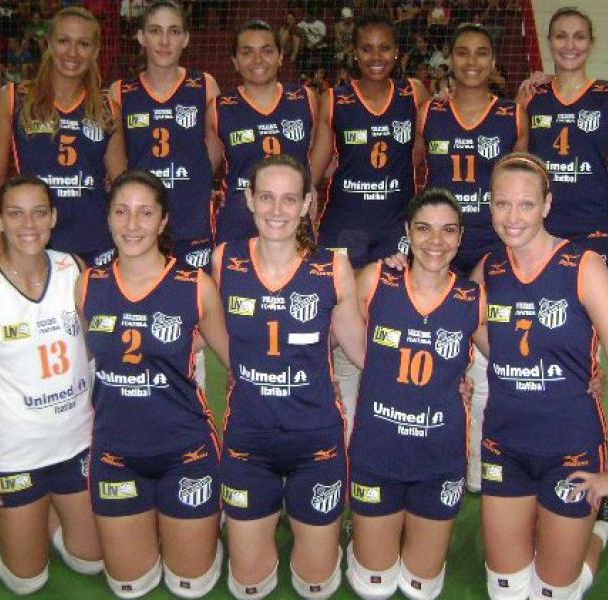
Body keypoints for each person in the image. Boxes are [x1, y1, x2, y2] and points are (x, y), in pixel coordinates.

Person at [478, 152, 608, 600]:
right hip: (504, 447)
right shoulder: (491, 269)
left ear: (547, 205)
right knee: (507, 593)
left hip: (571, 450)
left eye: (526, 204)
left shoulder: (584, 267)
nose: (513, 217)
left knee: (552, 593)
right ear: (490, 205)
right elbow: (453, 312)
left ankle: (601, 530)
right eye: (502, 204)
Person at [213, 154, 364, 600]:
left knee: (316, 585)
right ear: (249, 199)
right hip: (248, 437)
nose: (276, 210)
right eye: (266, 197)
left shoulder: (331, 268)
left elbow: (361, 351)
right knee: (249, 586)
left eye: (289, 199)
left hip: (314, 439)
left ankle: (316, 530)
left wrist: (433, 380)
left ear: (307, 204)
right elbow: (207, 331)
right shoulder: (225, 259)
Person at [0, 176, 102, 595]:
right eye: (15, 213)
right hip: (16, 456)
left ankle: (39, 514)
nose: (28, 224)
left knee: (90, 561)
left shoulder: (74, 269)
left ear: (53, 218)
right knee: (27, 580)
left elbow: (94, 349)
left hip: (76, 446)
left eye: (38, 212)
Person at [79, 169, 229, 599]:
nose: (132, 224)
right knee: (130, 587)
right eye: (121, 212)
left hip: (186, 452)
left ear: (163, 221)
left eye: (145, 213)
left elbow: (237, 361)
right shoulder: (88, 284)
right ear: (108, 217)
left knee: (190, 586)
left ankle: (204, 525)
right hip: (116, 454)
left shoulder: (195, 286)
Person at [348, 188, 482, 600]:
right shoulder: (376, 280)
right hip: (377, 456)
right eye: (424, 229)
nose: (435, 241)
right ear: (407, 232)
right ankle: (364, 535)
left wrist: (585, 375)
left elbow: (514, 358)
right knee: (374, 588)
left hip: (438, 460)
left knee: (421, 589)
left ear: (460, 237)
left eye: (448, 230)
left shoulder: (473, 298)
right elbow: (327, 331)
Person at [418, 22, 527, 493]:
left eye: (482, 53)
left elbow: (521, 184)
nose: (471, 62)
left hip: (490, 248)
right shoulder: (430, 112)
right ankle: (435, 452)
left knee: (485, 358)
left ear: (494, 61)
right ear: (450, 58)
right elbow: (416, 173)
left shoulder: (512, 115)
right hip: (438, 248)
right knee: (435, 352)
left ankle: (480, 462)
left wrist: (505, 249)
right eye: (462, 52)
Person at [310, 12, 429, 440]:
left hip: (394, 227)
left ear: (397, 53)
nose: (376, 56)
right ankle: (335, 432)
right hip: (344, 226)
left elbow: (420, 153)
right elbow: (319, 161)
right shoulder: (336, 99)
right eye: (367, 48)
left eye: (384, 48)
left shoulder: (414, 92)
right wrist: (299, 200)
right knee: (339, 327)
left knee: (390, 322)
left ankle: (388, 424)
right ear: (354, 53)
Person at [0, 6, 127, 266]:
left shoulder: (108, 110)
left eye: (83, 44)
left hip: (97, 245)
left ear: (95, 51)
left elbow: (121, 186)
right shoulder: (14, 100)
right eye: (63, 41)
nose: (72, 52)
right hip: (33, 242)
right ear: (48, 43)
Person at [111, 0, 220, 271]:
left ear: (186, 38)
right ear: (141, 36)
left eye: (174, 31)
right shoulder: (120, 92)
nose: (164, 41)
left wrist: (193, 178)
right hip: (142, 224)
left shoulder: (205, 85)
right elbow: (117, 167)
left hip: (192, 220)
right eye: (155, 30)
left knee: (195, 294)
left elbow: (214, 148)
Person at [518, 7, 608, 266]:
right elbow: (512, 161)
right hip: (541, 225)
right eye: (561, 36)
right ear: (549, 41)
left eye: (579, 37)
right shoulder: (530, 96)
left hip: (595, 225)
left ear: (591, 43)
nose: (570, 45)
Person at [207, 19, 317, 246]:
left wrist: (310, 186)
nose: (258, 60)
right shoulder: (220, 108)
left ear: (280, 56)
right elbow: (204, 169)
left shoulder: (305, 99)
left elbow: (315, 157)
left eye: (267, 51)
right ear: (235, 61)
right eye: (247, 52)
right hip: (238, 222)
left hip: (291, 222)